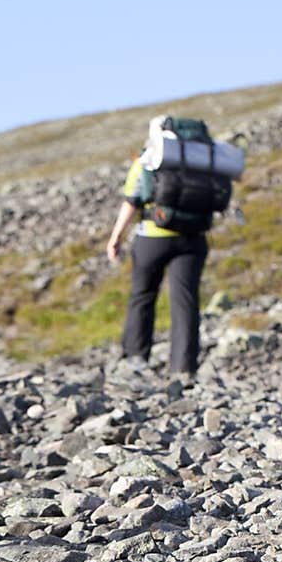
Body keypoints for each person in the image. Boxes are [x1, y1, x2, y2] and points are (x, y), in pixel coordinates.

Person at [106, 121, 210, 381]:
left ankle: (136, 359)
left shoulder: (148, 159)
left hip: (152, 238)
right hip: (193, 239)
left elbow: (132, 201)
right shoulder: (200, 160)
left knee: (142, 296)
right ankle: (183, 368)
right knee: (185, 302)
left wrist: (115, 238)